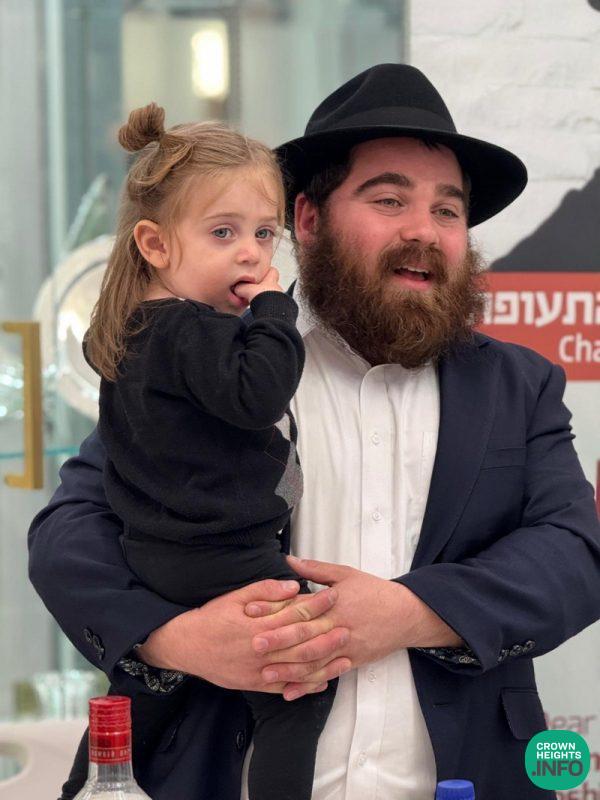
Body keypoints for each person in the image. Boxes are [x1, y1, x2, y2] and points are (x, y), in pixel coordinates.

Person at [29, 64, 600, 800]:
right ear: (305, 219)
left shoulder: (520, 387)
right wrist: (178, 639)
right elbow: (69, 533)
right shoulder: (212, 359)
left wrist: (411, 613)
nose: (423, 231)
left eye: (447, 210)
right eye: (389, 199)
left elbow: (574, 553)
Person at [78, 102, 337, 800]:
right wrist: (274, 312)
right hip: (221, 554)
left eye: (264, 233)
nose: (251, 253)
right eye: (223, 232)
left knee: (157, 692)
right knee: (299, 687)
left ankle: (102, 776)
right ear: (155, 245)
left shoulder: (133, 331)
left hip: (155, 553)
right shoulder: (194, 330)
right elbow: (258, 394)